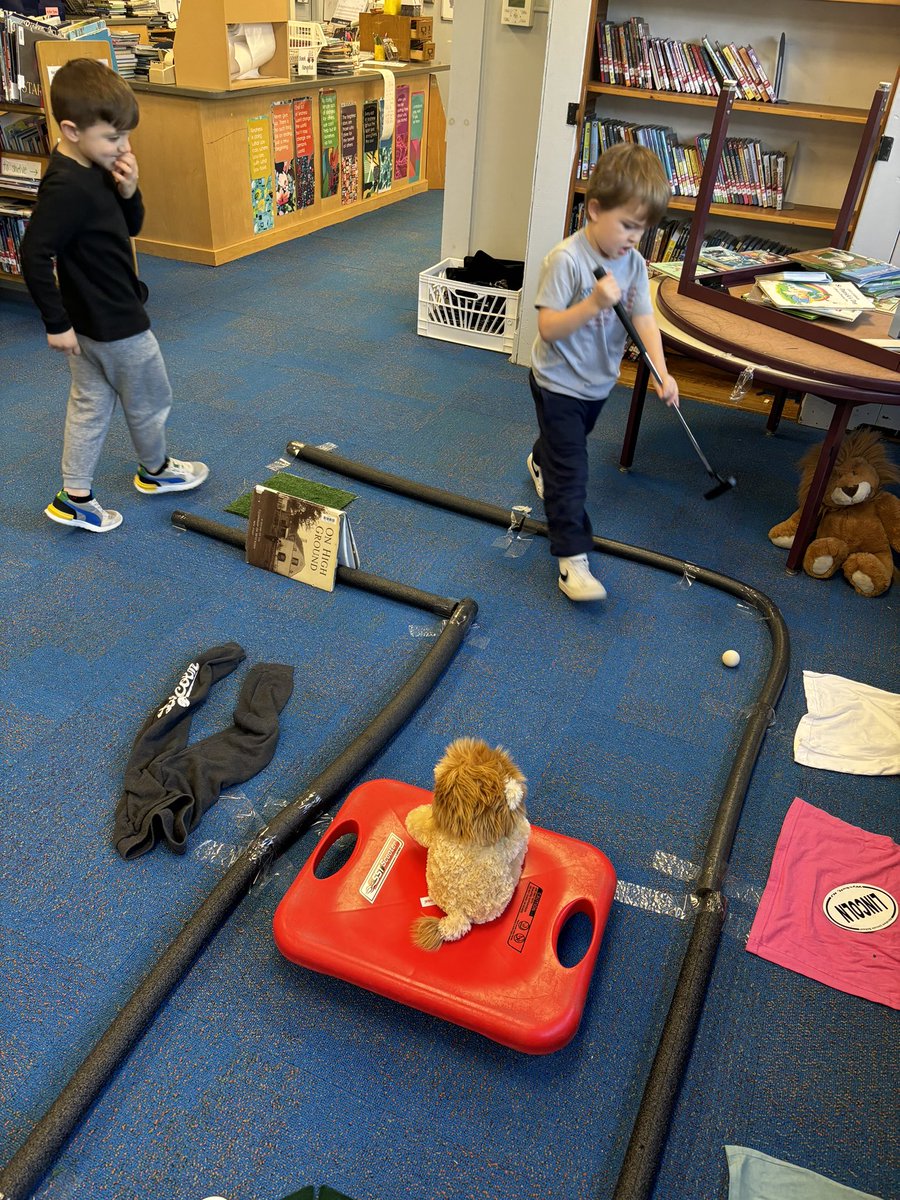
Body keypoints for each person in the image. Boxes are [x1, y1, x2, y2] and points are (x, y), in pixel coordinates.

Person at [21, 58, 207, 533]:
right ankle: (156, 471)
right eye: (112, 138)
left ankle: (75, 496)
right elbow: (33, 253)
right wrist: (55, 322)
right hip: (115, 322)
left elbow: (129, 229)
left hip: (91, 323)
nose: (122, 148)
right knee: (149, 397)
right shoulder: (66, 188)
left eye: (125, 137)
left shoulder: (92, 166)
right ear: (71, 129)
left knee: (90, 404)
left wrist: (130, 190)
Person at [527, 142, 679, 601]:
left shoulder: (631, 262)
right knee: (572, 471)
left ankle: (540, 457)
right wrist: (593, 302)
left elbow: (643, 317)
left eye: (643, 228)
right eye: (628, 225)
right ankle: (572, 561)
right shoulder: (566, 260)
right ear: (594, 210)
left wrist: (661, 369)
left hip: (596, 385)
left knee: (562, 450)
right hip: (556, 383)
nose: (635, 237)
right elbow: (549, 327)